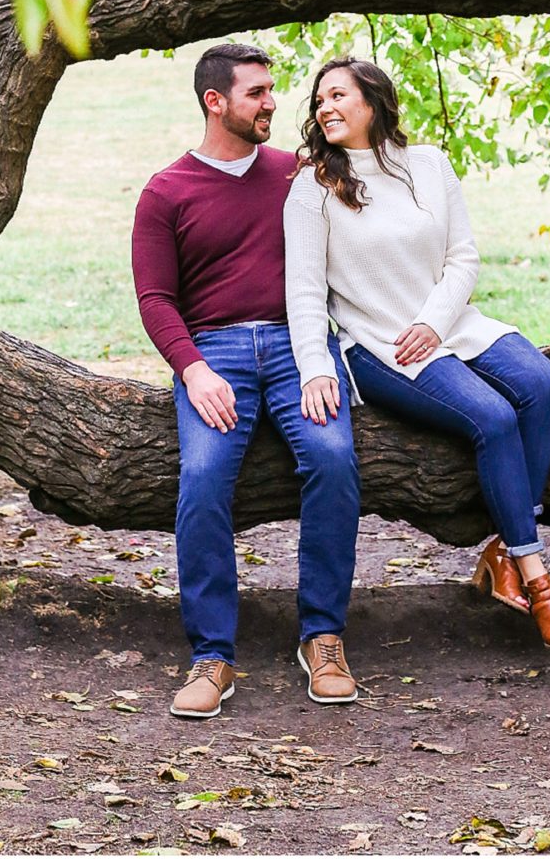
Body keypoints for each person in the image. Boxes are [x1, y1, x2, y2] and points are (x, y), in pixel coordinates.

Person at [284, 56, 550, 652]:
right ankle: (539, 581)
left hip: (451, 325)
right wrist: (316, 368)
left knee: (543, 384)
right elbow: (305, 290)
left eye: (338, 95)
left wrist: (433, 319)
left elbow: (463, 258)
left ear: (374, 101)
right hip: (383, 347)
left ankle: (503, 548)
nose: (326, 108)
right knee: (493, 419)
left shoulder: (429, 164)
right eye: (319, 100)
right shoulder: (313, 187)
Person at [131, 42, 361, 719]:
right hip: (214, 355)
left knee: (333, 457)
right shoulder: (165, 192)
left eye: (269, 90)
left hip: (298, 346)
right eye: (256, 93)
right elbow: (155, 300)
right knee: (202, 478)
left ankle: (322, 636)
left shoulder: (296, 175)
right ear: (215, 101)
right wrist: (193, 370)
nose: (272, 103)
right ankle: (212, 655)